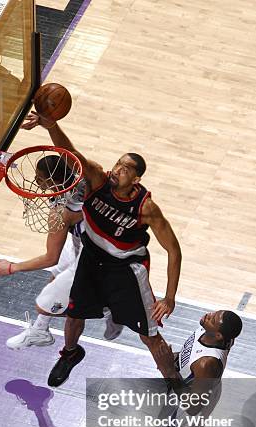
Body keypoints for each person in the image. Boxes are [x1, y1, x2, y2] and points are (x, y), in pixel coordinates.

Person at [22, 111, 182, 387]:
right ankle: (70, 353)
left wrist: (169, 297)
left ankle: (175, 383)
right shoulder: (97, 179)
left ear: (136, 179)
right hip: (91, 259)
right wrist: (51, 125)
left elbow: (174, 251)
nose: (118, 169)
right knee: (74, 315)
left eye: (126, 168)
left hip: (126, 270)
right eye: (118, 163)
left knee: (150, 335)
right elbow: (71, 153)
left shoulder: (146, 209)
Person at [0, 155, 123, 347]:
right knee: (56, 275)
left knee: (46, 303)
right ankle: (40, 330)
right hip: (101, 241)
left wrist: (12, 267)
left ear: (52, 180)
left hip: (95, 256)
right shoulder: (86, 179)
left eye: (39, 177)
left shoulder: (61, 212)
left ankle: (109, 308)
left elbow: (50, 258)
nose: (35, 181)